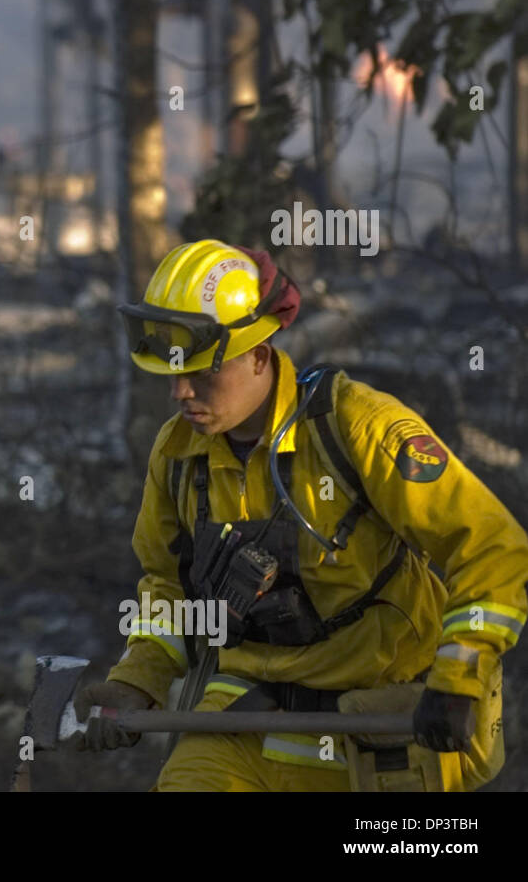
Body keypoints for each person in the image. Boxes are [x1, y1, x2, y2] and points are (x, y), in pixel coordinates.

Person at [72, 239, 528, 791]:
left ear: (258, 356)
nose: (180, 392)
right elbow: (167, 587)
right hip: (242, 719)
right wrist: (135, 682)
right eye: (171, 373)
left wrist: (459, 678)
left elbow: (489, 545)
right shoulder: (177, 457)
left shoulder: (358, 429)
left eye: (200, 374)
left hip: (380, 730)